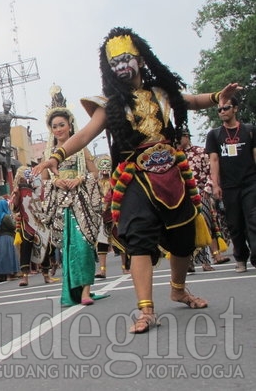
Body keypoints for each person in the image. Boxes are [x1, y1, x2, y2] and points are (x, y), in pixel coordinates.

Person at [34, 27, 240, 333]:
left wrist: (216, 98)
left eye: (126, 58)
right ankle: (146, 310)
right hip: (135, 180)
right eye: (114, 61)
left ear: (140, 60)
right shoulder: (110, 104)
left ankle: (178, 289)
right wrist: (57, 155)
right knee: (139, 240)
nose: (121, 66)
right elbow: (86, 134)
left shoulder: (161, 93)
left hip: (172, 173)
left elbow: (191, 101)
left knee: (184, 239)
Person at [41, 107, 101, 306]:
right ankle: (72, 290)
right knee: (67, 247)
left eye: (62, 125)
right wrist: (54, 182)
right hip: (61, 205)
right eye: (54, 126)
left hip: (81, 202)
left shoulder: (81, 149)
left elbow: (96, 174)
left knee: (83, 244)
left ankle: (86, 290)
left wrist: (80, 178)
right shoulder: (48, 153)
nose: (58, 129)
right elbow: (42, 181)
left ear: (69, 126)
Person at [205, 96, 256, 273]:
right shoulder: (214, 135)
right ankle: (241, 257)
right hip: (229, 186)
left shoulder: (249, 130)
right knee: (235, 224)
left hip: (250, 183)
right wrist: (216, 185)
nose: (222, 112)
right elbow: (214, 160)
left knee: (253, 220)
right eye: (219, 109)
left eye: (226, 108)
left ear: (235, 108)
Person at [177, 129, 223, 272]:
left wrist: (208, 190)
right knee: (185, 229)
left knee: (203, 226)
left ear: (186, 137)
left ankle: (206, 261)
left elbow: (212, 172)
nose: (177, 142)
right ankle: (188, 262)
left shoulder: (200, 151)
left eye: (179, 139)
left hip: (200, 193)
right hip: (181, 196)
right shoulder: (175, 155)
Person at [11, 166, 54, 286]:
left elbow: (43, 203)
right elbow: (14, 208)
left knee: (44, 247)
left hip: (40, 222)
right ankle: (25, 277)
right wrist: (16, 196)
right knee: (25, 249)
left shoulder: (40, 188)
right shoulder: (17, 190)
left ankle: (46, 274)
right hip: (26, 223)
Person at [0, 200, 20, 281]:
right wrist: (15, 220)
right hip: (8, 238)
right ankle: (10, 275)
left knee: (1, 257)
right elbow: (13, 226)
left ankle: (2, 275)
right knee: (9, 256)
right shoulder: (6, 216)